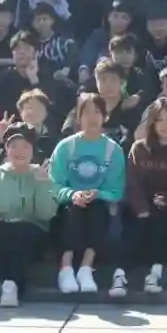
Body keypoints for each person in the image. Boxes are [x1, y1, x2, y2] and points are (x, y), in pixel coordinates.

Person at [0, 122, 57, 307]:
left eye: (25, 147)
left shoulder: (41, 173)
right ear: (6, 149)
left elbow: (46, 214)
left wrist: (42, 185)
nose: (20, 151)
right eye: (14, 146)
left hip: (30, 229)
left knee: (20, 233)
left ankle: (11, 286)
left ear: (32, 150)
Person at [51, 94, 126, 295]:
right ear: (79, 116)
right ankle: (66, 268)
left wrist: (98, 193)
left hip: (99, 203)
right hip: (69, 202)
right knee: (72, 211)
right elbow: (54, 184)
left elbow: (116, 190)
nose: (92, 118)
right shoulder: (66, 147)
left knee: (97, 209)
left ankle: (86, 267)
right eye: (86, 112)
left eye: (97, 112)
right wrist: (72, 194)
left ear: (105, 116)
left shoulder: (113, 150)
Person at [122, 98, 167, 294]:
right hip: (139, 206)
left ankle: (155, 274)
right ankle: (120, 275)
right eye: (160, 120)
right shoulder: (139, 148)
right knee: (136, 225)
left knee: (161, 221)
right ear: (152, 122)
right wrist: (142, 208)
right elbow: (132, 182)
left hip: (166, 207)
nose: (165, 125)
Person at [0, 30, 74, 123]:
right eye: (17, 49)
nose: (21, 52)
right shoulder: (2, 79)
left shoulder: (48, 75)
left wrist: (34, 80)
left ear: (36, 53)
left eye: (26, 48)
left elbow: (51, 109)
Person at [30, 3, 77, 81]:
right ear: (33, 23)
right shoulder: (29, 44)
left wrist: (65, 70)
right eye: (38, 20)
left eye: (45, 19)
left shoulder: (64, 43)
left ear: (52, 20)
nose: (41, 23)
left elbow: (73, 57)